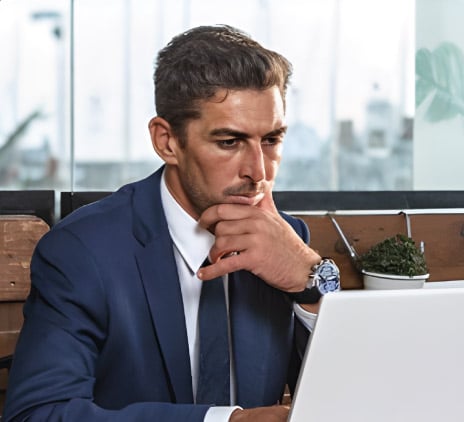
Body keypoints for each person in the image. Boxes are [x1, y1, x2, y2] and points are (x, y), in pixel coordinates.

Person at [4, 25, 326, 422]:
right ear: (167, 142)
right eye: (229, 142)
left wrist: (310, 284)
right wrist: (227, 421)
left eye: (272, 140)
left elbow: (351, 398)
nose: (258, 171)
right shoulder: (81, 251)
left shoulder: (287, 239)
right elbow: (37, 414)